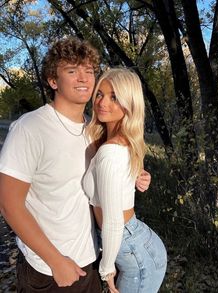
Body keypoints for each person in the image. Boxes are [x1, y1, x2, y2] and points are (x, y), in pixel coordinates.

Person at [0, 37, 151, 292]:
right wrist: (55, 261)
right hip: (48, 270)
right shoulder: (30, 128)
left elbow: (104, 174)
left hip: (89, 259)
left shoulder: (93, 129)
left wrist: (134, 175)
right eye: (72, 71)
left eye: (89, 71)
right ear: (53, 80)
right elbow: (9, 204)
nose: (83, 78)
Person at [83, 68, 167, 293]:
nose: (102, 102)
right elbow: (126, 178)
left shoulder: (111, 150)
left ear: (129, 103)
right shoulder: (115, 141)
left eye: (114, 97)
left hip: (132, 250)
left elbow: (112, 221)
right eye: (99, 94)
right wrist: (140, 178)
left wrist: (106, 272)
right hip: (132, 243)